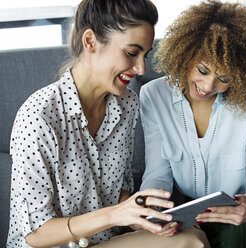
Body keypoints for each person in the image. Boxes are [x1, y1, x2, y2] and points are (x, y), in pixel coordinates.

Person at [7, 0, 209, 247]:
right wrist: (115, 215)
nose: (141, 68)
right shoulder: (39, 117)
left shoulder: (127, 105)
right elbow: (35, 234)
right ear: (90, 41)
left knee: (191, 238)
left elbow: (115, 192)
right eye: (131, 53)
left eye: (145, 55)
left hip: (102, 241)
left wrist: (145, 217)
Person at [139, 0, 246, 247]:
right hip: (196, 214)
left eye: (223, 78)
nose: (208, 86)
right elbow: (158, 174)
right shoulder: (153, 96)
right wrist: (155, 210)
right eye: (203, 70)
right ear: (186, 53)